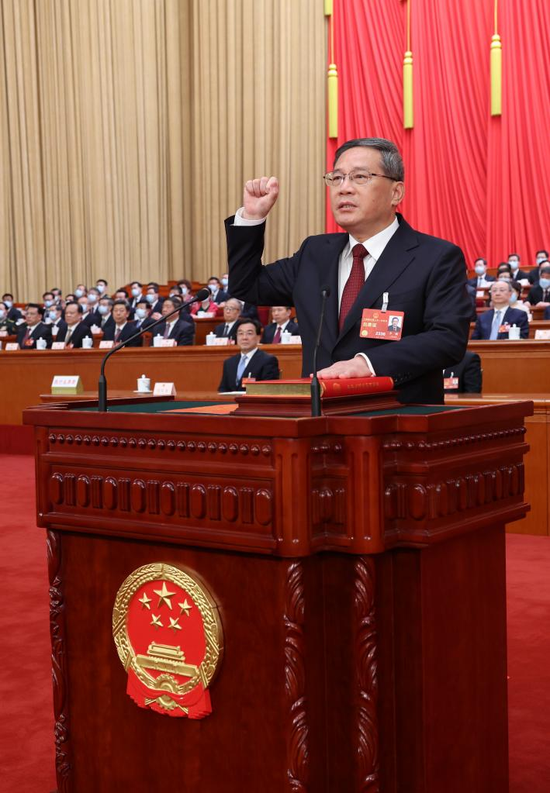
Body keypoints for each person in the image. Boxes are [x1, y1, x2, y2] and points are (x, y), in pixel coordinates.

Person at [226, 136, 471, 404]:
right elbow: (247, 286)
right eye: (337, 178)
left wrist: (366, 363)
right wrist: (251, 218)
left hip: (398, 423)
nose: (344, 188)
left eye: (360, 177)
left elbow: (447, 338)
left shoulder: (434, 257)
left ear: (396, 192)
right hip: (319, 422)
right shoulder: (315, 253)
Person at [218, 318, 280, 392]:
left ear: (258, 338)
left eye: (249, 333)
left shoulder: (268, 360)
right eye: (240, 333)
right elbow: (222, 389)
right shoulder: (229, 362)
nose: (244, 338)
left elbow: (269, 390)